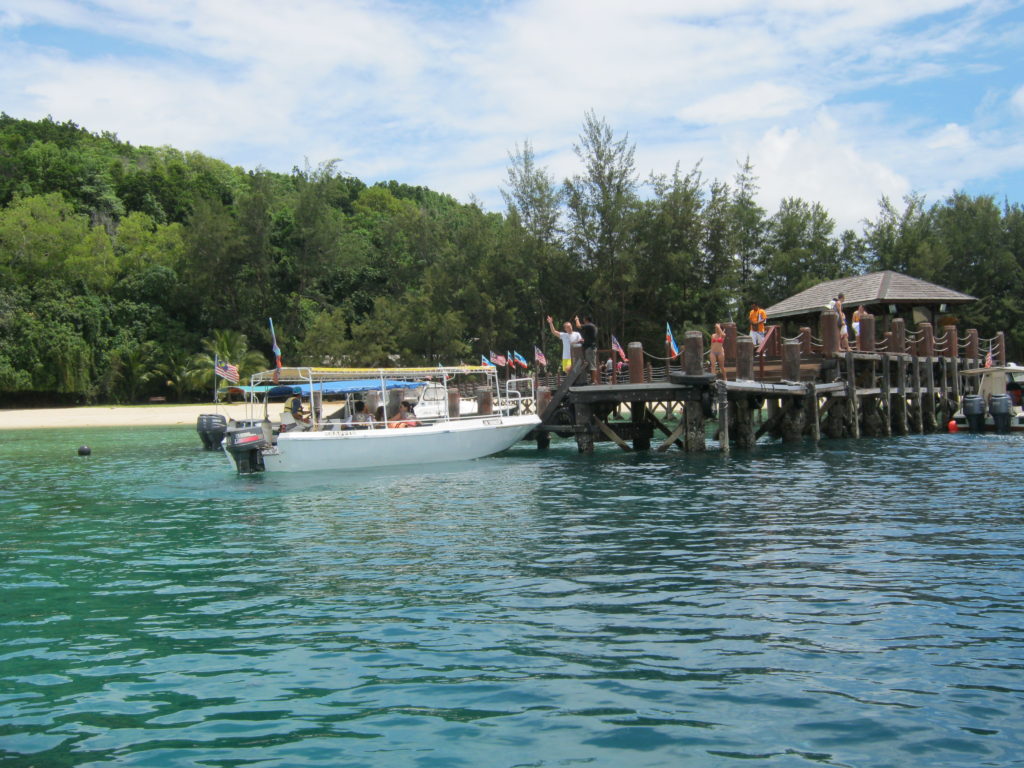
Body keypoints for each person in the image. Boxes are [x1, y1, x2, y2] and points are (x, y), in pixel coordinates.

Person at [576, 314, 599, 384]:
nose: (583, 321)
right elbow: (591, 338)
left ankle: (594, 380)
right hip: (590, 347)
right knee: (590, 364)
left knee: (592, 365)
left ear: (586, 319)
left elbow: (578, 326)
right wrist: (584, 341)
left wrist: (577, 319)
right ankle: (592, 380)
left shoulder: (589, 325)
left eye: (584, 319)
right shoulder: (592, 327)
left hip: (590, 348)